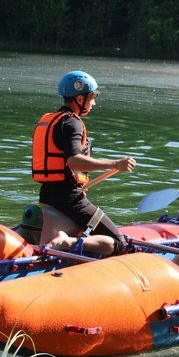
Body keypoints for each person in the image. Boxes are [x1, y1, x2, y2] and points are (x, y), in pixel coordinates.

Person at [32, 71, 137, 255]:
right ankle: (68, 242)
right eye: (93, 97)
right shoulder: (73, 123)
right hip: (70, 199)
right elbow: (74, 161)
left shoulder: (52, 120)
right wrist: (115, 164)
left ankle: (66, 241)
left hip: (48, 194)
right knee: (119, 243)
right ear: (80, 98)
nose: (94, 102)